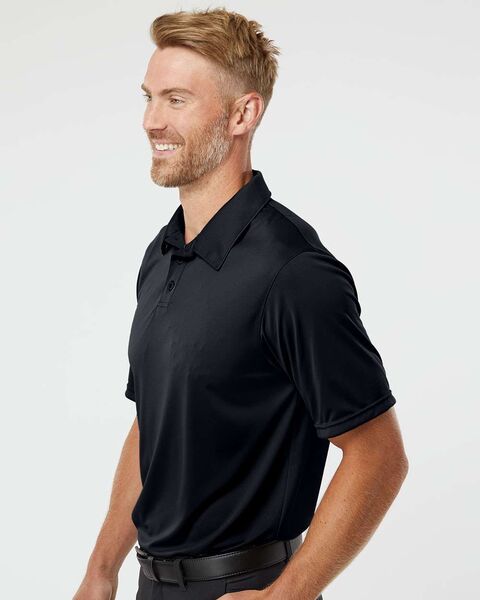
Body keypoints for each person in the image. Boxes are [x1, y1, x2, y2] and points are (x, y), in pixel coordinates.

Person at [73, 8, 408, 600]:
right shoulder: (163, 253)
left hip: (245, 586)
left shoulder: (294, 271)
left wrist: (287, 594)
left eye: (177, 100)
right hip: (153, 586)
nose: (151, 120)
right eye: (149, 97)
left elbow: (379, 454)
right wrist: (102, 569)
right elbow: (154, 422)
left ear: (243, 114)